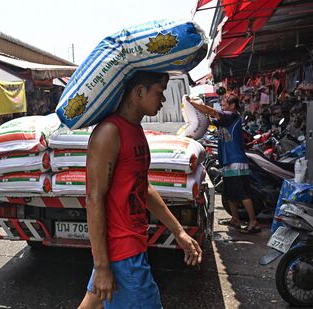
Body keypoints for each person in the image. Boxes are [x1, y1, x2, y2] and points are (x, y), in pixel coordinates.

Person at [78, 72, 203, 309]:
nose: (163, 99)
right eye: (159, 92)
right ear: (138, 92)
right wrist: (102, 266)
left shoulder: (135, 131)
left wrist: (179, 232)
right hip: (122, 253)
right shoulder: (109, 132)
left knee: (93, 304)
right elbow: (94, 199)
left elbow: (142, 186)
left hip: (130, 245)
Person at [188, 94, 261, 234]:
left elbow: (212, 112)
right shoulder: (225, 120)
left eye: (224, 103)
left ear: (232, 105)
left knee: (242, 193)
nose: (222, 105)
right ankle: (235, 219)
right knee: (229, 193)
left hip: (236, 162)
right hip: (228, 162)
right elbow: (209, 120)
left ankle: (253, 222)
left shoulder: (231, 116)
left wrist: (193, 103)